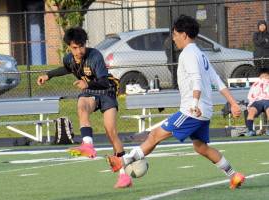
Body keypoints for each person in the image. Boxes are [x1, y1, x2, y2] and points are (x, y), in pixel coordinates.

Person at [107, 15, 245, 190]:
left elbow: (196, 80)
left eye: (175, 34)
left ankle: (123, 160)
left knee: (155, 135)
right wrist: (233, 103)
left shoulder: (188, 54)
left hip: (192, 111)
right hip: (204, 111)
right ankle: (234, 175)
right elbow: (217, 80)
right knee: (201, 147)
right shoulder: (200, 54)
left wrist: (194, 104)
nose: (173, 38)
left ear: (184, 34)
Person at [37, 27, 132, 188]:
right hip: (89, 91)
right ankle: (88, 144)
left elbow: (103, 81)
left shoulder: (95, 56)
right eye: (75, 47)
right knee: (81, 105)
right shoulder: (69, 59)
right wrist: (48, 75)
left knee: (111, 132)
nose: (79, 50)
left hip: (106, 91)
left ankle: (124, 176)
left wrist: (86, 83)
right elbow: (66, 69)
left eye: (81, 46)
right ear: (69, 47)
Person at [245, 67, 269, 136]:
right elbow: (251, 95)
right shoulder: (256, 84)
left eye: (265, 75)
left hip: (268, 101)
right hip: (257, 102)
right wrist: (250, 104)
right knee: (251, 111)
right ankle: (250, 131)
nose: (264, 77)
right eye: (262, 75)